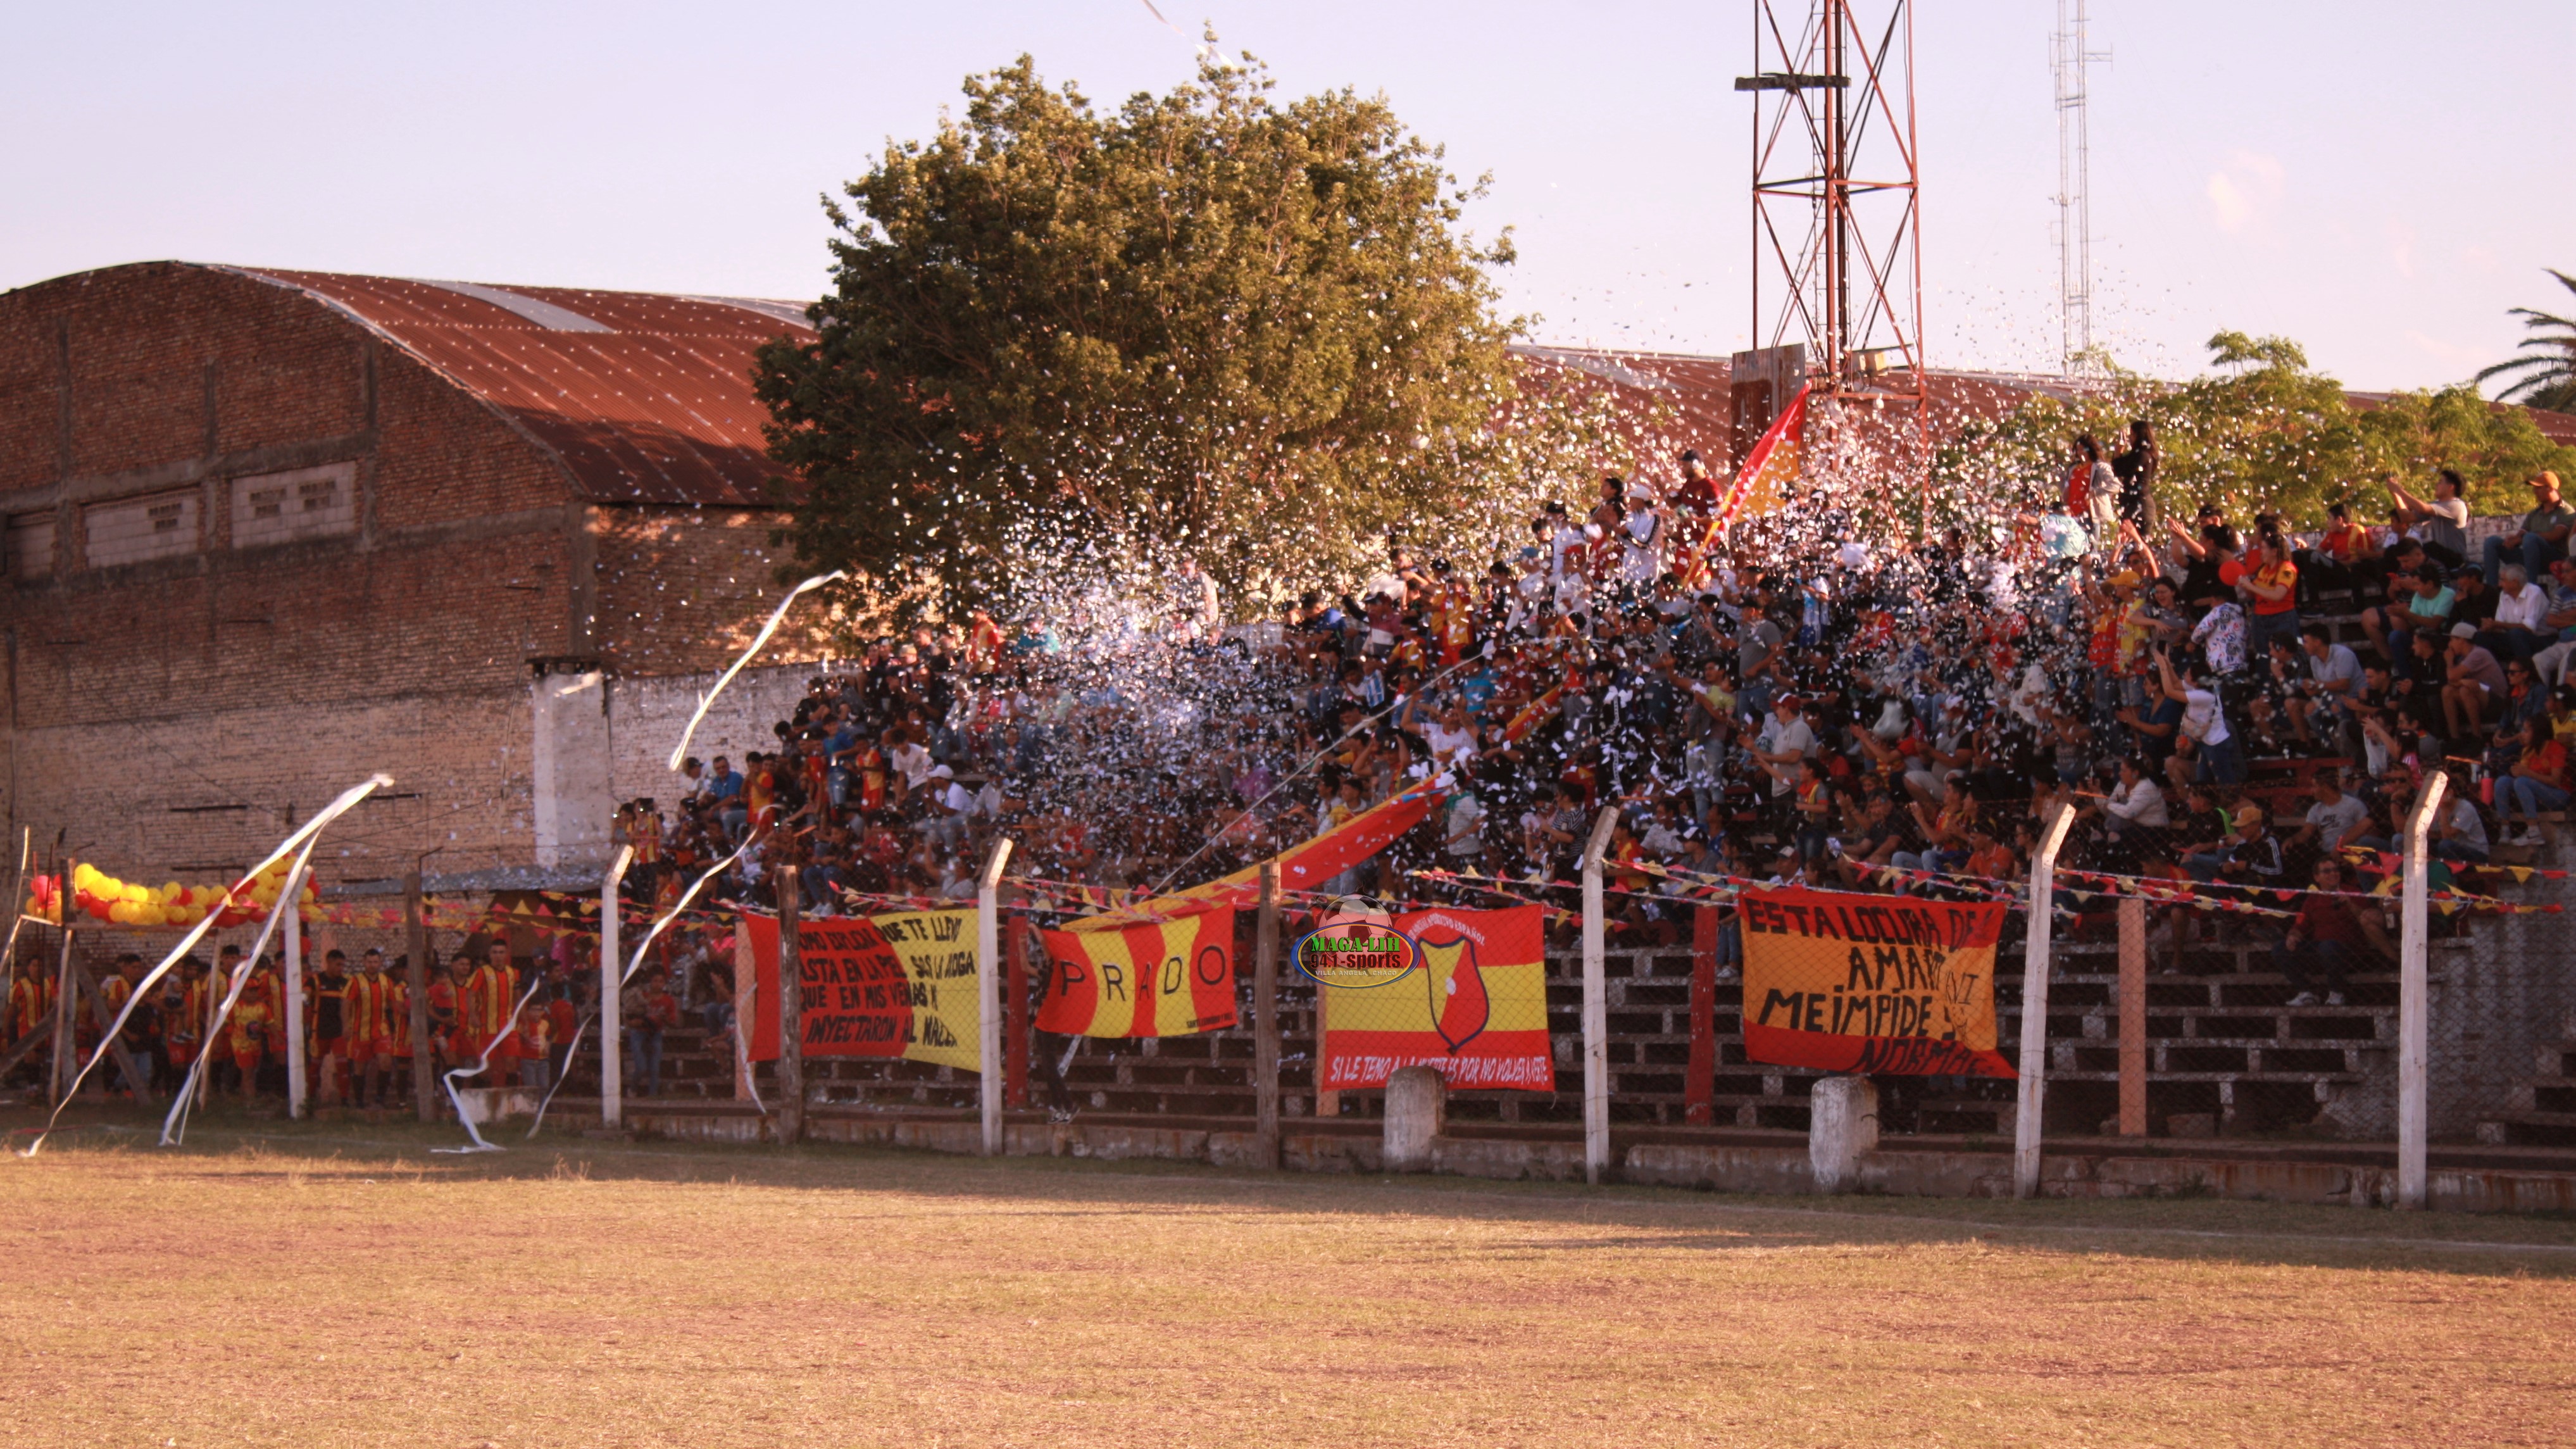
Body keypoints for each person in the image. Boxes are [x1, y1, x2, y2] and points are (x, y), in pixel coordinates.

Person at [2272, 858, 2389, 1007]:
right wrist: (2293, 935)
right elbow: (2301, 926)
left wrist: (2350, 904)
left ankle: (2336, 993)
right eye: (2327, 871)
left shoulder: (2353, 892)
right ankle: (2306, 993)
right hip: (2322, 951)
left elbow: (2368, 918)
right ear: (2317, 878)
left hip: (2350, 952)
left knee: (2328, 947)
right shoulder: (2312, 900)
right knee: (2280, 948)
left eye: (2336, 870)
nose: (2333, 874)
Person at [2484, 470, 2573, 586]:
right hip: (2530, 558)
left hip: (2554, 559)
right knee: (2492, 542)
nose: (2535, 492)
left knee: (2531, 538)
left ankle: (2532, 586)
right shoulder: (2534, 514)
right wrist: (2512, 541)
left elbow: (2556, 535)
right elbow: (2521, 534)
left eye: (2538, 488)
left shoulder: (2565, 511)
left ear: (2550, 488)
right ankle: (2492, 589)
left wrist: (2525, 538)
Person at [2494, 714, 2570, 846]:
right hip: (2536, 796)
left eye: (2526, 731)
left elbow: (2555, 782)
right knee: (2503, 782)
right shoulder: (2528, 750)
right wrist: (2517, 771)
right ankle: (2505, 831)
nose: (2522, 734)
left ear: (2538, 732)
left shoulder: (2555, 748)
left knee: (2522, 782)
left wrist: (2527, 773)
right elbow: (2523, 776)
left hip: (2558, 796)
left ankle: (2534, 832)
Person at [2388, 469, 2472, 569]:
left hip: (2456, 560)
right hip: (2440, 557)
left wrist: (2399, 490)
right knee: (2396, 552)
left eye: (2440, 482)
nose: (2437, 485)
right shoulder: (2437, 505)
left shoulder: (2457, 505)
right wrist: (2395, 494)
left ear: (2451, 487)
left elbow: (2422, 508)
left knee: (2428, 547)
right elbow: (2407, 517)